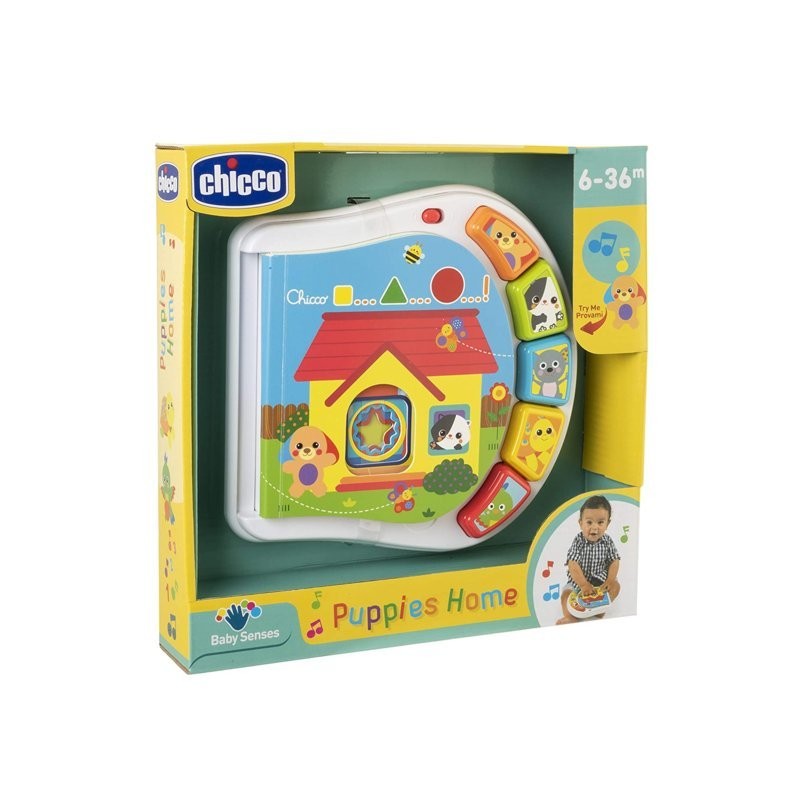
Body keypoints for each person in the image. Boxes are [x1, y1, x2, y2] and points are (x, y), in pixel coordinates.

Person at [557, 495, 620, 624]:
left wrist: (610, 579)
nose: (595, 527)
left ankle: (599, 608)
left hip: (601, 582)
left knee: (616, 586)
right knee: (565, 596)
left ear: (608, 524)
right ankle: (570, 617)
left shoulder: (607, 541)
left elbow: (614, 561)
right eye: (589, 522)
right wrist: (583, 585)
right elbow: (573, 564)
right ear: (581, 523)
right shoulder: (578, 541)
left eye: (600, 522)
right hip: (578, 583)